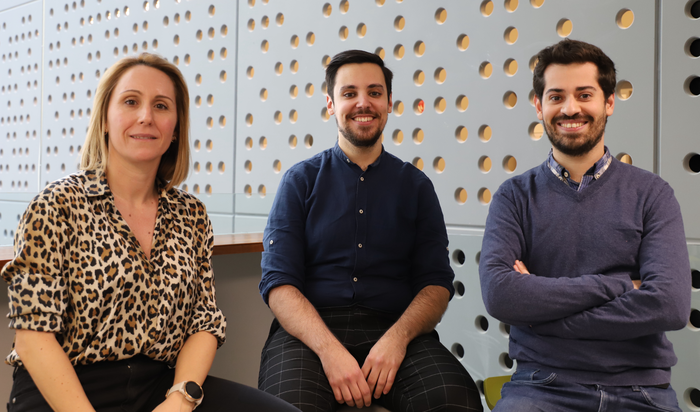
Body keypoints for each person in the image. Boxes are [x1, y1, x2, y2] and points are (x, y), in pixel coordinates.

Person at [1, 53, 299, 412]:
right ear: (106, 119)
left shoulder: (191, 214)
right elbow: (33, 337)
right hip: (64, 393)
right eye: (130, 101)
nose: (146, 116)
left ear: (175, 127)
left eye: (161, 105)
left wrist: (180, 399)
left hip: (160, 387)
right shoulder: (56, 205)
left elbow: (204, 323)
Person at [258, 49, 482, 412]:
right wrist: (331, 351)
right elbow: (279, 284)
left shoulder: (417, 186)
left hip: (397, 330)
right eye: (349, 94)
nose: (364, 103)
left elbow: (436, 285)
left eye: (375, 93)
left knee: (456, 402)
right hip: (310, 335)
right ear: (331, 104)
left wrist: (397, 340)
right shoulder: (299, 181)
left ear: (389, 103)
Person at [479, 39, 691, 411]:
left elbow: (669, 305)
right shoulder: (513, 197)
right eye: (557, 96)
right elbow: (501, 294)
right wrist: (621, 285)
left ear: (608, 102)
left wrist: (541, 318)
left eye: (584, 94)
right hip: (542, 386)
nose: (570, 108)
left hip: (642, 390)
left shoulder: (652, 194)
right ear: (539, 105)